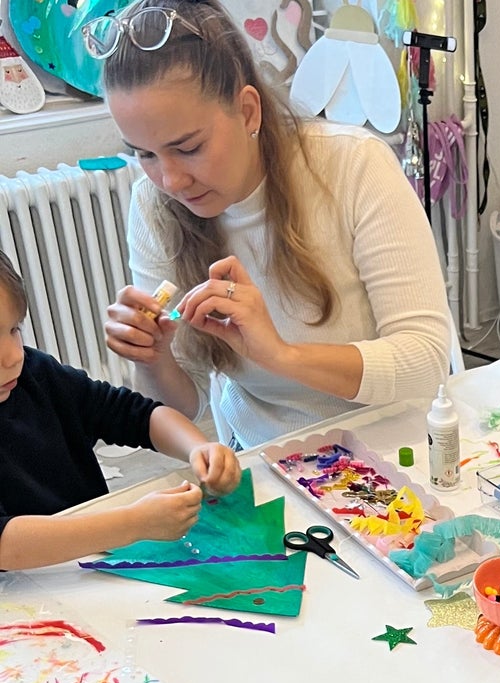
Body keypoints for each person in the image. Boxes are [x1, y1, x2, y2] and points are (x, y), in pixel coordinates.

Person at [97, 0, 452, 451]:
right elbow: (189, 404)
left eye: (188, 148)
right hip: (262, 454)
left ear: (248, 111)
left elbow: (425, 362)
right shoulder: (154, 206)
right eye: (144, 154)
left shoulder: (354, 166)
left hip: (390, 444)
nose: (170, 181)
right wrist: (151, 358)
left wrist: (283, 356)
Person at [0, 251, 239, 572]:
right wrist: (132, 523)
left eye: (14, 329)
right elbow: (5, 545)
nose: (13, 356)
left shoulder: (36, 374)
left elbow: (138, 414)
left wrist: (199, 447)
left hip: (92, 568)